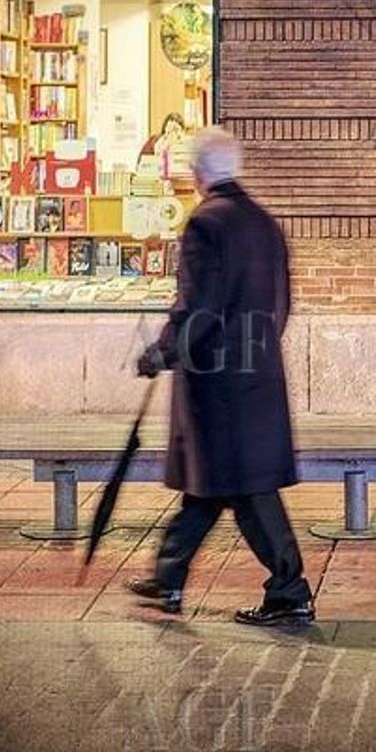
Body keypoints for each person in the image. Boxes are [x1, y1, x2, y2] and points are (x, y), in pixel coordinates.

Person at [125, 126, 314, 626]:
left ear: (198, 172)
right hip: (255, 373)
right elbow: (280, 303)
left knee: (244, 487)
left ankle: (289, 589)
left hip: (217, 384)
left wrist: (162, 353)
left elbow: (198, 308)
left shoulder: (206, 225)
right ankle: (169, 577)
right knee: (208, 485)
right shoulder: (263, 224)